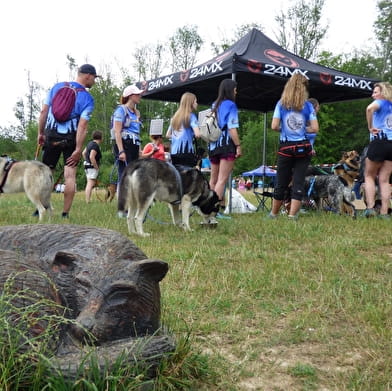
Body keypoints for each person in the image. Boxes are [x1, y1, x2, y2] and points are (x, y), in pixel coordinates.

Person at [37, 63, 99, 218]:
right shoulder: (87, 99)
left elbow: (44, 111)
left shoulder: (56, 87)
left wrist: (41, 133)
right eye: (94, 78)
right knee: (69, 176)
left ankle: (41, 209)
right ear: (88, 76)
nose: (94, 81)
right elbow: (82, 126)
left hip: (51, 135)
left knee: (47, 173)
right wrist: (78, 149)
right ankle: (65, 213)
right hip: (70, 139)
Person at [269, 73, 319, 220]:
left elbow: (274, 126)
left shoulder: (281, 103)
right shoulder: (308, 106)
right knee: (298, 181)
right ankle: (292, 216)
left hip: (286, 147)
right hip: (303, 148)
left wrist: (284, 129)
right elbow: (315, 128)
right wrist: (303, 129)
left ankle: (274, 214)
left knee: (281, 181)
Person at [208, 79, 242, 210]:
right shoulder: (231, 105)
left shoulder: (214, 105)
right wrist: (238, 145)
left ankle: (208, 205)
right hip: (226, 145)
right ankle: (213, 209)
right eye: (235, 89)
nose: (236, 91)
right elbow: (232, 128)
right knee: (222, 180)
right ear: (230, 90)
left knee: (213, 180)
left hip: (213, 145)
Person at [363, 81, 392, 218]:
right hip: (391, 144)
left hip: (379, 141)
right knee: (384, 179)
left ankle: (370, 209)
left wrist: (370, 126)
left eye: (375, 92)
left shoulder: (381, 103)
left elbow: (369, 109)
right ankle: (385, 212)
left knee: (369, 175)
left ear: (383, 92)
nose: (372, 95)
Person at [112, 84, 144, 184]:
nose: (140, 96)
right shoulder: (121, 110)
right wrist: (121, 151)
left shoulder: (136, 113)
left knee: (133, 174)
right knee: (124, 173)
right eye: (137, 94)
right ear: (130, 96)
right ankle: (122, 197)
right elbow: (117, 131)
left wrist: (139, 150)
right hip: (124, 144)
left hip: (134, 145)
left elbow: (137, 133)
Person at [166, 92, 201, 167]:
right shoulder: (191, 116)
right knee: (187, 176)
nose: (197, 104)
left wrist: (177, 137)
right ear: (190, 103)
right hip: (186, 152)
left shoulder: (175, 118)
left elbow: (168, 135)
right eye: (195, 101)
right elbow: (197, 134)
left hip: (174, 152)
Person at [82, 130, 103, 203]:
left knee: (89, 183)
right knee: (90, 184)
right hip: (92, 166)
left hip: (87, 165)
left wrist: (86, 161)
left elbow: (83, 153)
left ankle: (88, 199)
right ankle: (87, 200)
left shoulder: (89, 143)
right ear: (101, 138)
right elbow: (92, 156)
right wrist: (96, 166)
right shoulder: (95, 145)